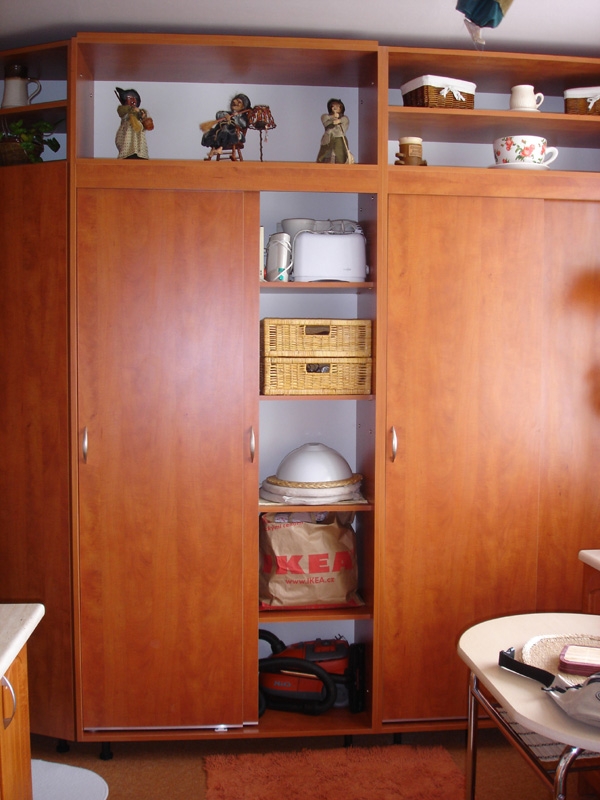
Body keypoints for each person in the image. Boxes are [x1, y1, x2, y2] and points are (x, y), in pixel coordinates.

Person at [201, 93, 252, 160]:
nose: (235, 102)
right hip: (221, 132)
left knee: (225, 131)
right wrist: (225, 115)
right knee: (212, 133)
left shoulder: (241, 117)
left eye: (239, 102)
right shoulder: (228, 113)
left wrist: (235, 117)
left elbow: (244, 124)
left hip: (234, 133)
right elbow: (218, 114)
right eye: (235, 100)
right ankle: (214, 149)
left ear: (243, 107)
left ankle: (220, 148)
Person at [115, 87, 154, 160]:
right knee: (128, 141)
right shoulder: (125, 110)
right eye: (129, 98)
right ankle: (127, 154)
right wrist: (132, 110)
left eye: (134, 98)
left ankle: (140, 154)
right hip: (127, 131)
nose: (132, 101)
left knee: (139, 142)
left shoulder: (141, 111)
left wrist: (141, 114)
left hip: (138, 132)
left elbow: (146, 120)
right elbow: (122, 112)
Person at [316, 98, 350, 164]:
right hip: (328, 140)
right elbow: (326, 122)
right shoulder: (326, 116)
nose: (335, 108)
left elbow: (345, 120)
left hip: (339, 139)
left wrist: (339, 120)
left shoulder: (344, 118)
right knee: (325, 155)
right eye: (333, 106)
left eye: (338, 106)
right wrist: (333, 118)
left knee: (340, 156)